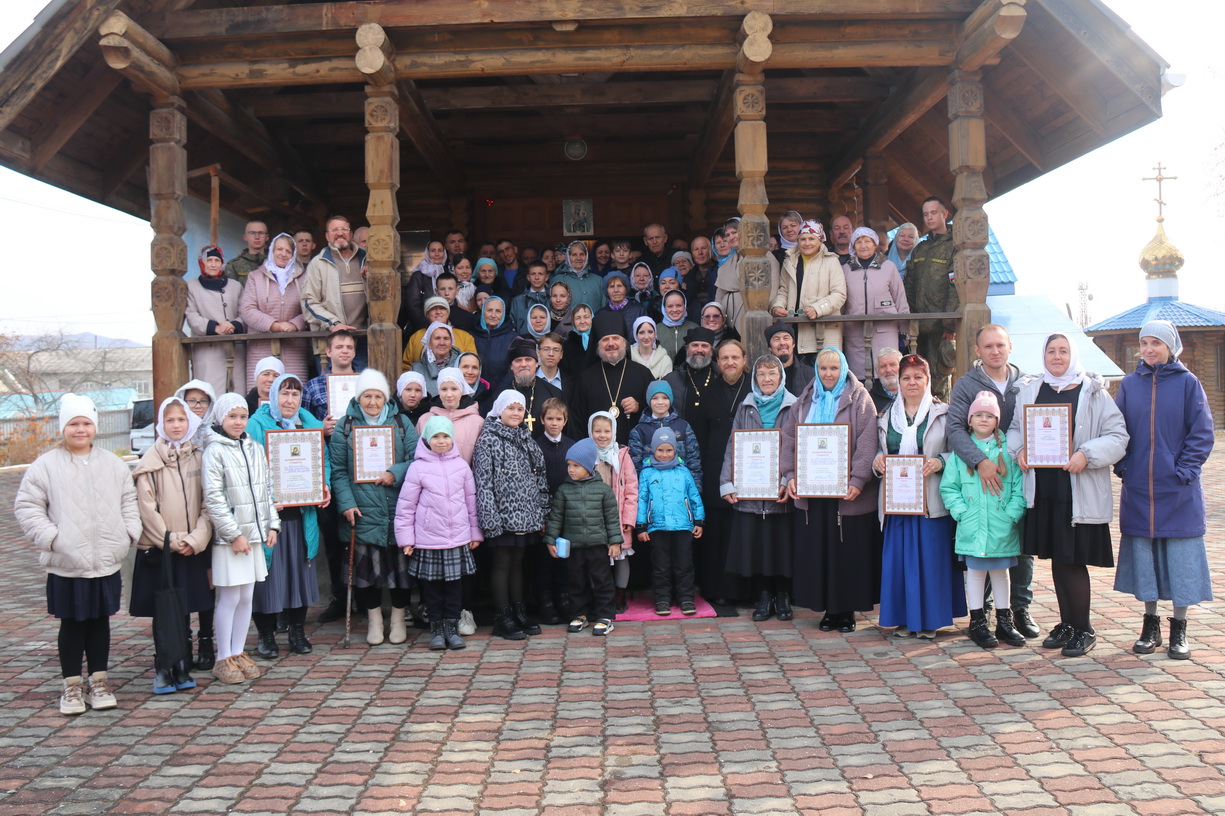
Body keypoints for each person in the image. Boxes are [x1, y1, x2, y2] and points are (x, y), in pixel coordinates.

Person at [14, 394, 140, 715]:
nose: (80, 430)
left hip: (106, 561)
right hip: (67, 563)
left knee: (99, 622)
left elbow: (129, 501)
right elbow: (28, 507)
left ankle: (99, 681)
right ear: (63, 427)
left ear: (94, 427)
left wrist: (127, 534)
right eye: (73, 424)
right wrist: (53, 538)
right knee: (71, 624)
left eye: (86, 423)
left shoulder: (112, 464)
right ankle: (71, 686)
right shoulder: (45, 466)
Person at [1007, 334, 1127, 656]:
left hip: (1077, 488)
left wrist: (1086, 454)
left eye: (1063, 351)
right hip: (1043, 488)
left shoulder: (1094, 392)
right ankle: (1068, 624)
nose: (1056, 357)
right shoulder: (1031, 389)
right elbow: (1016, 428)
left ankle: (1084, 628)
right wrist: (1018, 450)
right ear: (1043, 355)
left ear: (1073, 355)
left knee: (1074, 560)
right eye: (1051, 351)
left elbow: (1118, 436)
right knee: (1058, 558)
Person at [1113, 321, 1214, 659]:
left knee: (1181, 562)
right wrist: (1125, 466)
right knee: (1146, 560)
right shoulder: (1129, 385)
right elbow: (1118, 430)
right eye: (1144, 343)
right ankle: (1150, 624)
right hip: (1140, 489)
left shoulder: (1188, 384)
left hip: (1178, 492)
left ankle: (1179, 628)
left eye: (1156, 343)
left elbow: (1202, 433)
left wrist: (1184, 471)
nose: (1149, 349)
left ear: (1171, 346)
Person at [946, 324, 1038, 638]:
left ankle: (1018, 609)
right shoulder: (966, 385)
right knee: (982, 551)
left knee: (1020, 546)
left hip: (1017, 475)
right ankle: (981, 614)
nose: (995, 351)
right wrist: (980, 462)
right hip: (978, 475)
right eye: (988, 347)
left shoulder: (1026, 383)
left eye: (1000, 345)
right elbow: (955, 429)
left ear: (1010, 347)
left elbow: (1035, 423)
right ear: (977, 351)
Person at [782, 347, 880, 633]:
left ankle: (846, 611)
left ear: (844, 370)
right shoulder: (804, 400)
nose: (828, 374)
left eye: (834, 369)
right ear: (816, 371)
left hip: (846, 494)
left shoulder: (860, 399)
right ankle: (827, 609)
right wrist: (790, 475)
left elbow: (868, 441)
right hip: (813, 494)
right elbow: (789, 439)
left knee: (845, 554)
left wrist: (857, 479)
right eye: (823, 368)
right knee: (820, 552)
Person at [872, 354, 966, 638]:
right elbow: (882, 449)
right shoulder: (886, 416)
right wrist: (878, 461)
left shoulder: (945, 413)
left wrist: (942, 462)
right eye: (906, 378)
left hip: (930, 502)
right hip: (897, 502)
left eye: (918, 377)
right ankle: (902, 618)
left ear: (928, 380)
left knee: (930, 562)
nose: (912, 382)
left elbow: (960, 452)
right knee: (899, 563)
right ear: (898, 382)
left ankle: (930, 621)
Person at [329, 369, 420, 646]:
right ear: (359, 398)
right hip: (361, 509)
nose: (372, 401)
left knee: (400, 571)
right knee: (367, 574)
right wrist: (347, 504)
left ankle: (397, 618)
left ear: (385, 398)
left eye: (378, 396)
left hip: (395, 507)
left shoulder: (401, 422)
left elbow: (418, 459)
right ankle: (374, 620)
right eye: (367, 396)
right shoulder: (345, 426)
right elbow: (338, 471)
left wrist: (395, 472)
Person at [131, 397, 214, 694]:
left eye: (181, 419)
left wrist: (196, 539)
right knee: (164, 608)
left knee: (185, 607)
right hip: (163, 549)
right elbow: (146, 508)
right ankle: (164, 665)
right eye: (170, 420)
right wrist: (171, 540)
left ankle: (182, 664)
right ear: (161, 425)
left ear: (189, 422)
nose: (176, 425)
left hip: (193, 547)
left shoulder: (200, 457)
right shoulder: (150, 461)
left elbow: (209, 503)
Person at [246, 374, 330, 657]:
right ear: (273, 397)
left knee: (299, 576)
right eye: (284, 394)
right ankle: (267, 635)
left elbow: (324, 460)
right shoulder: (256, 425)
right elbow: (251, 468)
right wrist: (267, 499)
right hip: (271, 520)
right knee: (268, 579)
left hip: (301, 516)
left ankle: (297, 631)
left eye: (295, 394)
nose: (290, 400)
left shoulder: (310, 424)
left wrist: (324, 484)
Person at [939, 390, 1027, 649]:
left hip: (1002, 525)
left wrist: (1012, 514)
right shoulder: (962, 453)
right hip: (973, 525)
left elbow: (1019, 486)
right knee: (976, 574)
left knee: (1001, 574)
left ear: (997, 420)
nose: (983, 420)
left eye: (989, 415)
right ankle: (977, 621)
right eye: (978, 415)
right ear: (969, 419)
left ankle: (1004, 620)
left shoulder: (1007, 452)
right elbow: (949, 487)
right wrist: (961, 513)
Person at [201, 393, 276, 684]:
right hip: (231, 539)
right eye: (232, 416)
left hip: (254, 535)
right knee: (230, 596)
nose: (238, 422)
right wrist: (233, 534)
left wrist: (273, 525)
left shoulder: (255, 448)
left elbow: (267, 489)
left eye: (242, 416)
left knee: (247, 596)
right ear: (221, 418)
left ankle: (238, 651)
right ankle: (223, 657)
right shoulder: (214, 451)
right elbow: (214, 499)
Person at [720, 355, 797, 621]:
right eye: (761, 374)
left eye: (772, 374)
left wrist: (788, 480)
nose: (766, 379)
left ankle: (784, 597)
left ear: (781, 377)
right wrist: (727, 482)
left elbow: (798, 448)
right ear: (755, 378)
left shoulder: (794, 406)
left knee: (781, 547)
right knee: (758, 547)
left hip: (780, 491)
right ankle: (764, 598)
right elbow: (733, 446)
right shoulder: (746, 407)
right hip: (752, 492)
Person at [395, 416, 481, 651]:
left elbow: (470, 501)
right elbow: (406, 506)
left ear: (452, 438)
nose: (441, 441)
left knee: (454, 588)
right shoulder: (418, 468)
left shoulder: (461, 466)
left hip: (457, 539)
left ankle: (452, 629)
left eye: (445, 436)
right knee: (432, 589)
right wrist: (406, 539)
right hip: (428, 540)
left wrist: (475, 533)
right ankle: (436, 629)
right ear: (426, 439)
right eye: (435, 436)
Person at [473, 390, 551, 640]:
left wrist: (542, 512)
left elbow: (539, 476)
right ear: (499, 410)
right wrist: (490, 517)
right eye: (511, 408)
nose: (516, 413)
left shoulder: (526, 438)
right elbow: (483, 482)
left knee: (518, 563)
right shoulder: (488, 439)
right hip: (501, 517)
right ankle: (502, 616)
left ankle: (519, 611)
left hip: (526, 515)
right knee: (502, 564)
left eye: (520, 409)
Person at [689, 340, 752, 604]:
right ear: (717, 362)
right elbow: (699, 437)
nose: (729, 363)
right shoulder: (708, 391)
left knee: (744, 532)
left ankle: (745, 591)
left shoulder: (754, 389)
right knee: (717, 535)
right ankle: (717, 590)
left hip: (750, 469)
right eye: (724, 358)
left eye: (734, 357)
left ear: (744, 360)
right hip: (715, 469)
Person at [545, 438, 623, 636]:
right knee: (575, 581)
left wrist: (614, 541)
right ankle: (580, 614)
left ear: (588, 466)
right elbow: (556, 517)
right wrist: (550, 539)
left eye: (576, 466)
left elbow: (612, 518)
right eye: (569, 465)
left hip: (598, 545)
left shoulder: (603, 490)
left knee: (602, 580)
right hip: (574, 546)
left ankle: (605, 616)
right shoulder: (564, 490)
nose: (571, 470)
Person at [633, 426, 705, 616]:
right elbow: (641, 500)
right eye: (660, 450)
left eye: (669, 450)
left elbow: (694, 496)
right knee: (660, 565)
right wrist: (641, 526)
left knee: (684, 565)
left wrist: (699, 521)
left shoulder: (683, 471)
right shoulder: (647, 473)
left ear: (675, 450)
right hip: (657, 527)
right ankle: (662, 598)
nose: (664, 454)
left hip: (683, 526)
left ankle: (686, 598)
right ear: (653, 450)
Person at [905, 197, 959, 401]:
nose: (929, 218)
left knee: (940, 380)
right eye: (926, 214)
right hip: (918, 329)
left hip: (942, 329)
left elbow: (956, 288)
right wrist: (908, 319)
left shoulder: (955, 247)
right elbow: (909, 285)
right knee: (916, 380)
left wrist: (949, 325)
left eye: (933, 213)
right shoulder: (920, 248)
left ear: (945, 214)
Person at [240, 233, 311, 384]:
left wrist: (294, 325)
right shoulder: (255, 277)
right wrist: (273, 325)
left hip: (293, 347)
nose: (283, 254)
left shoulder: (304, 277)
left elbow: (310, 306)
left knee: (292, 392)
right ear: (272, 251)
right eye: (279, 249)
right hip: (261, 347)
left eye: (288, 251)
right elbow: (247, 309)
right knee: (261, 395)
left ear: (293, 254)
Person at [575, 312, 654, 445]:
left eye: (615, 338)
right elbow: (577, 420)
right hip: (596, 454)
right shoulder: (586, 379)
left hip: (634, 452)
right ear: (598, 345)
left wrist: (639, 407)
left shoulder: (643, 374)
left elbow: (658, 410)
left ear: (624, 343)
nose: (611, 344)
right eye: (605, 340)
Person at [771, 220, 845, 363]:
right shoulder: (790, 261)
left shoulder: (831, 261)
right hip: (795, 330)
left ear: (820, 240)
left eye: (812, 238)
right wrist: (777, 306)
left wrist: (818, 309)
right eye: (803, 239)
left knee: (824, 373)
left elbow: (839, 294)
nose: (807, 243)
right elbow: (784, 290)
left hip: (822, 331)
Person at [587, 411, 638, 614]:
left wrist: (629, 518)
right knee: (597, 558)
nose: (602, 435)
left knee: (621, 556)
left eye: (607, 431)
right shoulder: (587, 455)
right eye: (597, 431)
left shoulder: (622, 456)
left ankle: (619, 594)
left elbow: (632, 489)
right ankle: (599, 595)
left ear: (614, 432)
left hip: (618, 516)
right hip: (594, 517)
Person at [842, 227, 908, 382]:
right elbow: (842, 302)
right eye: (859, 242)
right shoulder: (846, 269)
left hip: (886, 329)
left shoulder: (888, 267)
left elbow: (900, 299)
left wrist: (905, 331)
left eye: (867, 241)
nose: (863, 245)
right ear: (853, 246)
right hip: (855, 331)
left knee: (888, 372)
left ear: (875, 244)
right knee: (859, 376)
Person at [302, 215, 369, 364]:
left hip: (364, 340)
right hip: (330, 342)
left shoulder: (367, 259)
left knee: (363, 386)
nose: (340, 233)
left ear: (351, 234)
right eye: (334, 230)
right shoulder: (318, 263)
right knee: (333, 386)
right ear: (327, 236)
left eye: (344, 229)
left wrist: (370, 280)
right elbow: (308, 302)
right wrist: (334, 324)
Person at [532, 398, 575, 624]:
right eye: (550, 418)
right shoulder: (535, 445)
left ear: (565, 421)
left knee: (565, 559)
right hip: (545, 513)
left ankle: (564, 597)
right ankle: (545, 600)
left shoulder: (571, 446)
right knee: (545, 560)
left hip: (567, 512)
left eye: (559, 419)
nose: (554, 423)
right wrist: (542, 515)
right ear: (542, 420)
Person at [186, 245, 247, 395]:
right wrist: (215, 327)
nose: (213, 264)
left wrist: (233, 325)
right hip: (208, 351)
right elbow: (191, 315)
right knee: (210, 394)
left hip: (235, 349)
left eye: (217, 260)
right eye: (209, 260)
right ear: (202, 263)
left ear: (222, 263)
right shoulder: (191, 287)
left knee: (237, 394)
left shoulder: (236, 286)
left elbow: (245, 312)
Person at [628, 379, 703, 483]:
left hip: (680, 486)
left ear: (671, 400)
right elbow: (634, 465)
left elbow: (694, 459)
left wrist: (695, 488)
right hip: (652, 487)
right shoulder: (639, 430)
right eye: (655, 398)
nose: (660, 402)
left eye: (665, 398)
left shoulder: (683, 426)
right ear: (649, 400)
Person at [713, 218, 780, 333]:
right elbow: (720, 292)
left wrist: (762, 309)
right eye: (727, 235)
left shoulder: (763, 254)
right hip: (728, 317)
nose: (731, 237)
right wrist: (716, 312)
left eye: (734, 232)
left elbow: (773, 285)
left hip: (753, 313)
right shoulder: (730, 262)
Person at [499, 337, 562, 434]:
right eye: (518, 360)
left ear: (536, 363)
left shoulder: (554, 393)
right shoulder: (501, 396)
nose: (523, 364)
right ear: (511, 366)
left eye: (528, 359)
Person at [663, 327, 716, 418]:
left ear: (711, 351)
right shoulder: (670, 380)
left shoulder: (720, 377)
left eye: (704, 346)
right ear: (687, 349)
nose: (699, 350)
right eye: (695, 345)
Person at [403, 296, 477, 358]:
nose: (438, 312)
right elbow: (407, 366)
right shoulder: (415, 337)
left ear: (448, 313)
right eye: (433, 309)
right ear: (427, 314)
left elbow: (472, 363)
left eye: (442, 308)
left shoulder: (464, 336)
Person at [402, 239, 448, 332]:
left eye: (440, 250)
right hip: (424, 327)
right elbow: (413, 304)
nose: (437, 254)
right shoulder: (418, 275)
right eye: (433, 251)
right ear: (427, 253)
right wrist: (426, 325)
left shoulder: (447, 273)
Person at [474, 295, 518, 389]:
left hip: (503, 393)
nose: (493, 315)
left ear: (503, 313)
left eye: (498, 311)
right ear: (483, 312)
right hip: (476, 395)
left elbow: (514, 370)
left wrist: (499, 392)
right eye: (489, 310)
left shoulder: (513, 338)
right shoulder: (472, 337)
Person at [407, 321, 464, 393]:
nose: (442, 343)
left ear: (451, 343)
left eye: (446, 338)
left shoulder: (462, 365)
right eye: (437, 338)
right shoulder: (416, 368)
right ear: (429, 343)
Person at [551, 240, 605, 313]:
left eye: (582, 254)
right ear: (568, 257)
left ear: (587, 256)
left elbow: (604, 307)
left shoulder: (598, 280)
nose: (578, 258)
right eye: (574, 255)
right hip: (567, 324)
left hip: (596, 324)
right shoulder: (558, 280)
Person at [765, 322, 814, 397]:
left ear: (793, 344)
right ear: (770, 347)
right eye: (776, 339)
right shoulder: (761, 375)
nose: (782, 343)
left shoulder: (811, 374)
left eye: (786, 338)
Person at [509, 261, 553, 334]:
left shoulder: (552, 299)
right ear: (528, 277)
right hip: (523, 343)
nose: (537, 277)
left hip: (548, 344)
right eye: (533, 274)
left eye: (540, 274)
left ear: (546, 277)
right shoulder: (517, 301)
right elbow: (512, 327)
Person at [598, 270, 646, 335]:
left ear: (626, 289)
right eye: (612, 287)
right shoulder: (600, 315)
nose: (616, 290)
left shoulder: (639, 311)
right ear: (607, 291)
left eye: (619, 286)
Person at [657, 290, 697, 362]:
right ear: (664, 308)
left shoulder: (695, 328)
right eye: (670, 306)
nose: (674, 310)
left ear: (685, 306)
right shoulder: (656, 330)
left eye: (679, 305)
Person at [561, 303, 596, 380]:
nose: (582, 321)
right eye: (578, 318)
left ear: (592, 318)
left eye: (586, 317)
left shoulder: (599, 341)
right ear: (573, 321)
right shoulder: (567, 345)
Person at [869, 347, 902, 416]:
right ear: (877, 371)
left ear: (902, 367)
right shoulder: (869, 400)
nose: (888, 370)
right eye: (883, 366)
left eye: (893, 364)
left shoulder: (912, 394)